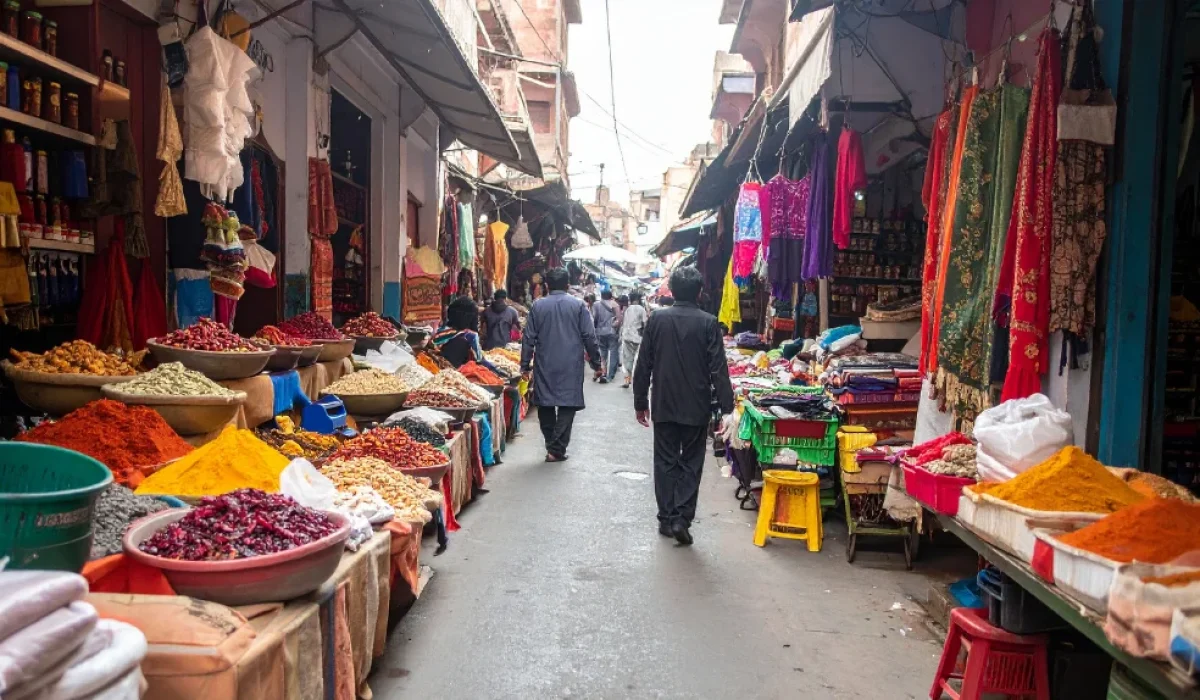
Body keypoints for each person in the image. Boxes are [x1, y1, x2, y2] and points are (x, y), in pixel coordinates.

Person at [633, 266, 734, 545]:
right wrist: (728, 408)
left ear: (672, 291)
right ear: (700, 293)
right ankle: (682, 517)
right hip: (696, 405)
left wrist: (640, 401)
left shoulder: (657, 321)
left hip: (664, 402)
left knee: (665, 460)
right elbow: (718, 369)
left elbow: (644, 364)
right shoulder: (708, 322)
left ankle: (666, 518)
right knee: (691, 462)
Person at [521, 267, 602, 462]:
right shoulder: (579, 306)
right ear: (567, 285)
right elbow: (589, 336)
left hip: (545, 363)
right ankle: (556, 448)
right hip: (570, 363)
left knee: (545, 404)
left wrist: (524, 365)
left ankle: (553, 446)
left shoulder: (537, 306)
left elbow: (528, 337)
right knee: (568, 404)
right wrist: (596, 363)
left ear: (547, 285)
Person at [432, 295, 500, 372]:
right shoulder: (470, 335)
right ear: (469, 318)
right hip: (457, 374)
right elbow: (479, 359)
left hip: (437, 370)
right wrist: (496, 369)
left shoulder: (441, 330)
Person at [619, 291, 647, 389]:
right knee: (637, 359)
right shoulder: (641, 309)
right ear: (638, 299)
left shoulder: (627, 309)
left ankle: (627, 380)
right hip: (637, 338)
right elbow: (645, 323)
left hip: (626, 336)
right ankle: (636, 381)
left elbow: (624, 323)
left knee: (627, 359)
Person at [592, 289, 620, 383]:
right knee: (613, 354)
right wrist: (615, 327)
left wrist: (596, 328)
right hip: (612, 332)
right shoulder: (615, 304)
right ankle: (610, 376)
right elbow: (619, 319)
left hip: (600, 332)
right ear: (611, 295)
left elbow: (594, 319)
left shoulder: (596, 305)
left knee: (602, 354)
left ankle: (603, 373)